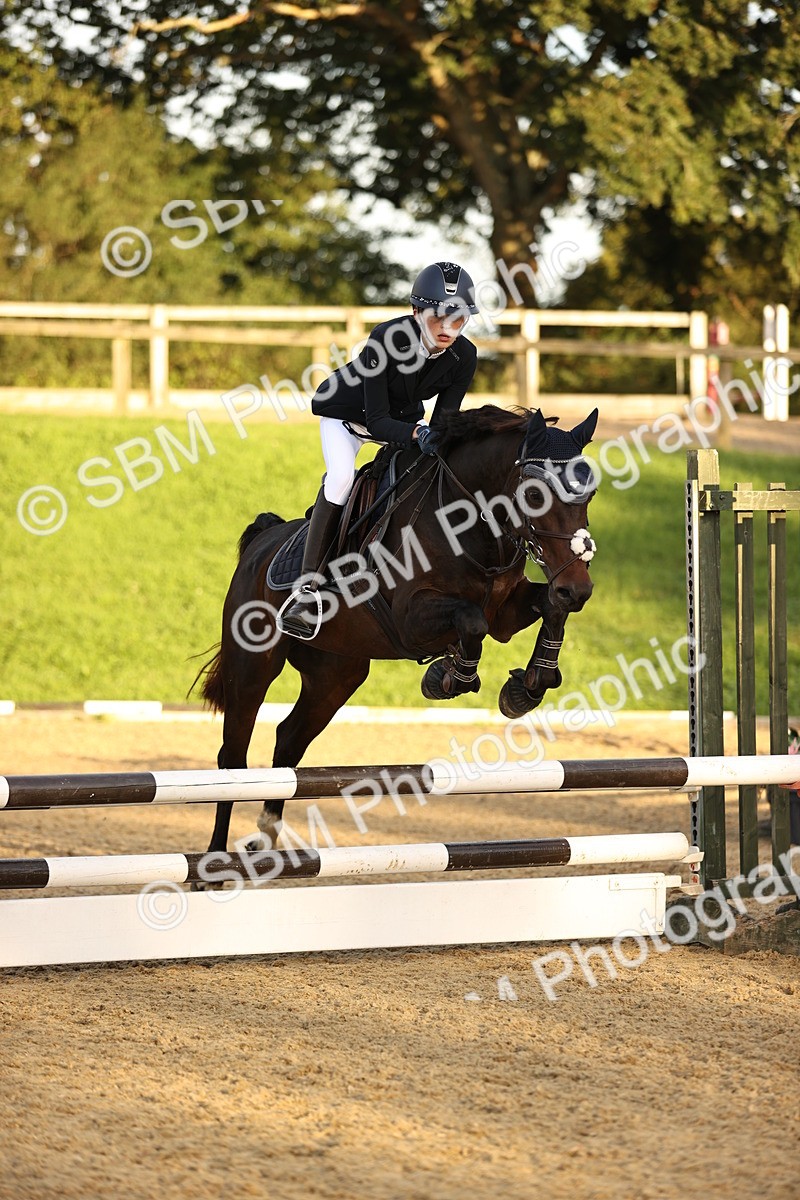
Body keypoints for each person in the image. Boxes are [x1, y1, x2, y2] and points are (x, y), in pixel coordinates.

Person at [278, 261, 480, 639]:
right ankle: (306, 590)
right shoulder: (386, 340)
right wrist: (420, 435)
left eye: (459, 318)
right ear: (417, 312)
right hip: (351, 420)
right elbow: (378, 419)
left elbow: (444, 420)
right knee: (341, 479)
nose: (448, 328)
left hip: (401, 423)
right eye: (438, 317)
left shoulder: (463, 356)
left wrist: (446, 439)